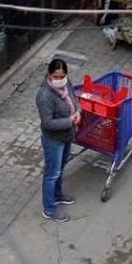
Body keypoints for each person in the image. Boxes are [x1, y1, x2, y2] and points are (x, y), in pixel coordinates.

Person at [36, 58, 81, 222]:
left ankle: (57, 194)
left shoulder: (67, 84)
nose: (59, 79)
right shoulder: (44, 95)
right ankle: (49, 209)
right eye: (56, 76)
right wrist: (70, 120)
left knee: (60, 167)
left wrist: (78, 111)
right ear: (49, 75)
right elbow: (47, 123)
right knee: (52, 173)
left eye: (62, 76)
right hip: (53, 139)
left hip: (67, 135)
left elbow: (74, 99)